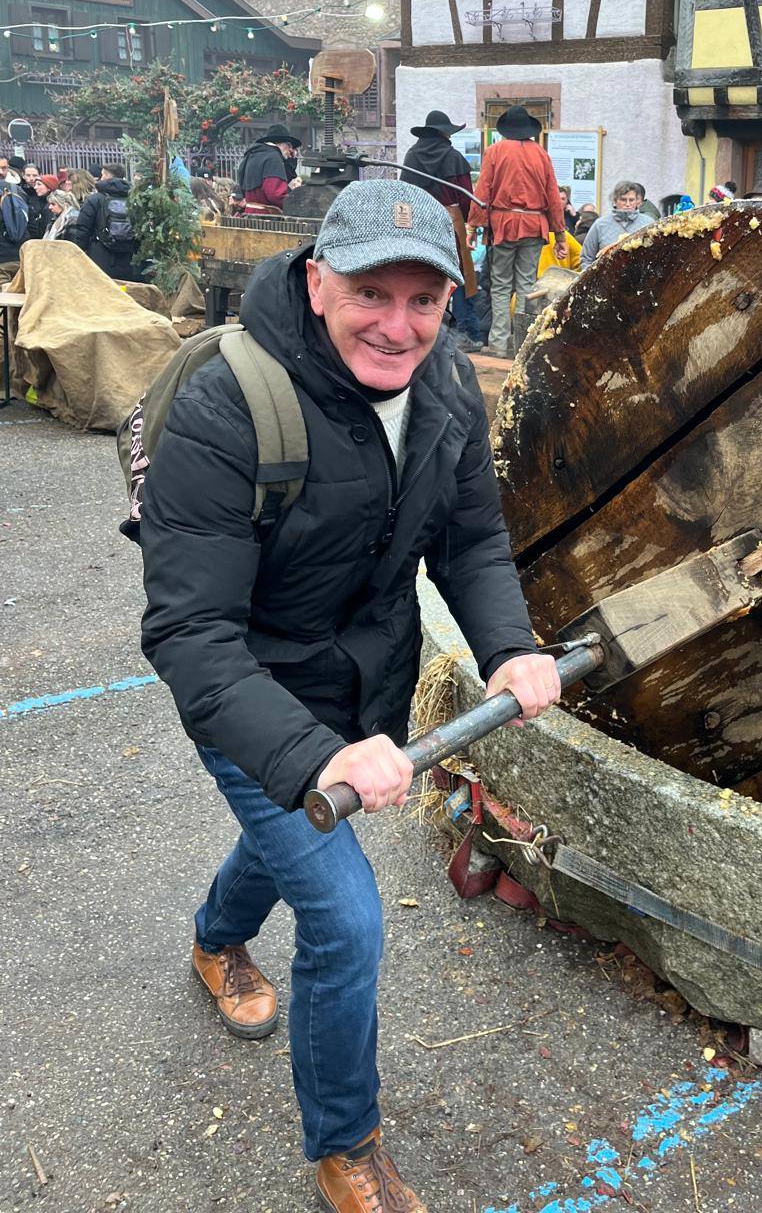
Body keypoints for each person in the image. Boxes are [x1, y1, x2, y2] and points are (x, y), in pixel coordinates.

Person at [136, 179, 560, 1212]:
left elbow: (470, 539)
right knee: (346, 917)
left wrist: (509, 647)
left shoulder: (446, 381)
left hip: (365, 692)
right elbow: (190, 633)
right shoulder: (228, 404)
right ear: (319, 279)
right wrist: (311, 754)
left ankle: (214, 938)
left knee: (295, 835)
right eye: (373, 292)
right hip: (249, 702)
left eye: (426, 299)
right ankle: (348, 1145)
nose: (398, 325)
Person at [467, 106, 565, 356]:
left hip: (504, 225)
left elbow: (482, 191)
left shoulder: (495, 151)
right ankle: (522, 343)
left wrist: (473, 226)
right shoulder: (541, 154)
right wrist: (560, 235)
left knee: (500, 285)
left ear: (506, 129)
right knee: (526, 285)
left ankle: (498, 344)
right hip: (534, 225)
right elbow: (553, 196)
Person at [400, 110, 481, 349]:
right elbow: (465, 198)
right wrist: (469, 222)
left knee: (425, 273)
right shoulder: (453, 157)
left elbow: (404, 191)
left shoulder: (412, 155)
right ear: (444, 134)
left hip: (419, 222)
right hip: (449, 221)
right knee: (459, 275)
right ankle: (463, 331)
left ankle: (425, 328)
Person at [74, 162, 141, 282]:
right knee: (123, 290)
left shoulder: (95, 199)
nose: (100, 178)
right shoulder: (134, 200)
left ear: (108, 176)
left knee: (100, 290)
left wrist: (80, 253)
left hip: (99, 256)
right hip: (127, 258)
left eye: (103, 175)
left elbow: (82, 229)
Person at [579, 181, 656, 269]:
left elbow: (656, 255)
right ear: (615, 201)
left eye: (631, 200)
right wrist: (593, 275)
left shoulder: (648, 223)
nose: (627, 204)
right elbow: (586, 258)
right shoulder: (600, 224)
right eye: (623, 200)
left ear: (637, 201)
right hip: (607, 274)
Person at [233, 127, 302, 216]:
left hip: (249, 213)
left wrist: (290, 161)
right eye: (290, 146)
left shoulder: (252, 154)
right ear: (281, 144)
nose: (291, 150)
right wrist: (295, 204)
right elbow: (275, 195)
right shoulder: (273, 158)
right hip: (267, 216)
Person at [17, 161, 49, 239]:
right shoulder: (18, 191)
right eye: (28, 175)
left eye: (34, 175)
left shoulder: (44, 193)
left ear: (40, 175)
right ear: (23, 175)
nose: (31, 179)